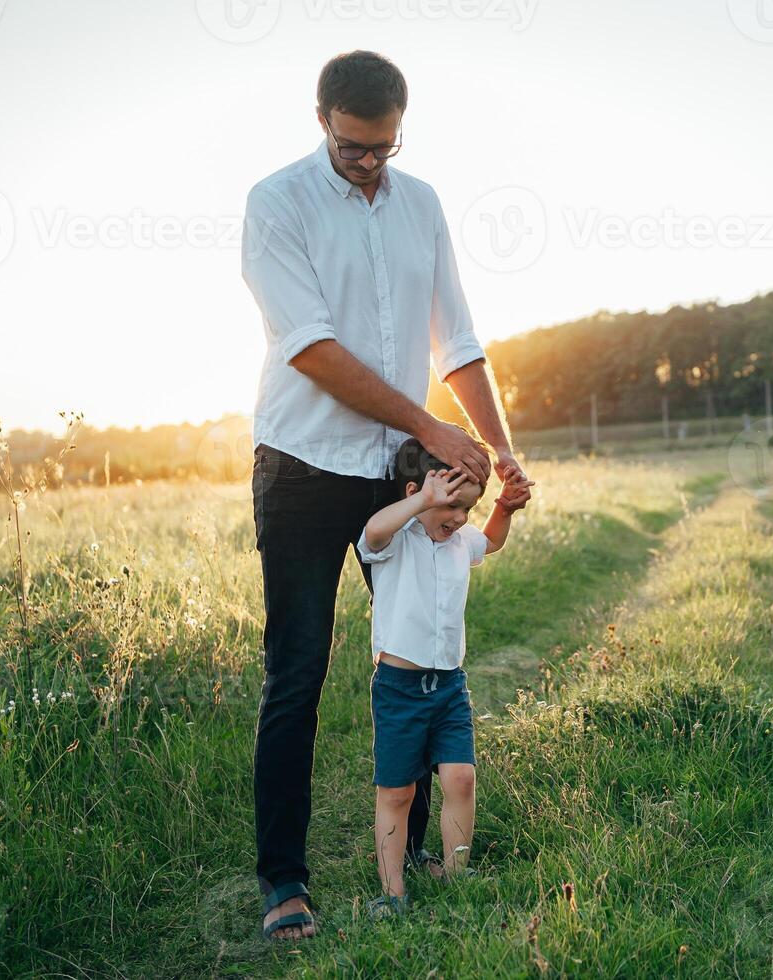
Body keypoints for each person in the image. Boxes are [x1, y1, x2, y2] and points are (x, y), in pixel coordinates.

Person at [241, 50, 532, 941]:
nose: (370, 164)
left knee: (421, 656)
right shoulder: (275, 202)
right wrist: (435, 428)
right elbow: (313, 349)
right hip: (299, 465)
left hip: (395, 472)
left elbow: (461, 339)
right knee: (298, 671)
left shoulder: (424, 205)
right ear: (322, 118)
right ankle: (284, 882)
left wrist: (503, 452)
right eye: (354, 148)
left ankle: (426, 853)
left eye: (385, 150)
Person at [355, 439, 532, 919]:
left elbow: (490, 540)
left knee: (461, 778)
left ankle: (456, 877)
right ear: (420, 492)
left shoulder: (459, 541)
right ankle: (392, 894)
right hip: (399, 689)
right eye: (451, 504)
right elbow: (371, 532)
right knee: (398, 791)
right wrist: (421, 503)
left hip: (450, 687)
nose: (458, 517)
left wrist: (503, 507)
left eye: (467, 507)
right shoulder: (398, 539)